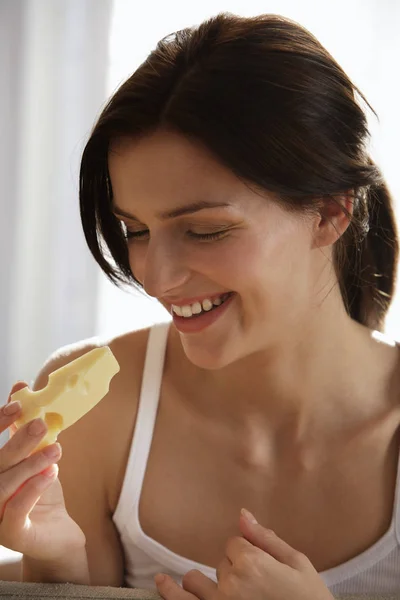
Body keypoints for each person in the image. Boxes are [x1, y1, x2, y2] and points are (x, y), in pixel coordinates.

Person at [1, 10, 399, 599]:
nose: (155, 277)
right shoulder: (104, 417)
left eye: (206, 230)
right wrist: (59, 569)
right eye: (134, 229)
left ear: (332, 212)